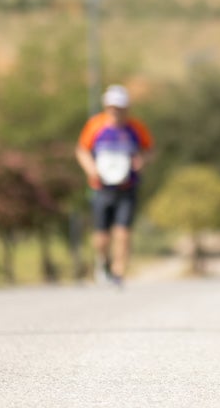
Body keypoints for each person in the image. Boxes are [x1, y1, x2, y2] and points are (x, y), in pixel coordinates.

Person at [75, 84, 154, 287]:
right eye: (112, 107)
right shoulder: (95, 126)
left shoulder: (136, 128)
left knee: (123, 232)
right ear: (106, 106)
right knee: (101, 237)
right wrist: (91, 169)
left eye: (119, 107)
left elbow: (149, 150)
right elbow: (82, 150)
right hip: (101, 187)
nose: (116, 111)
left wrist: (141, 161)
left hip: (127, 187)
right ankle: (105, 262)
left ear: (126, 108)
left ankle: (119, 271)